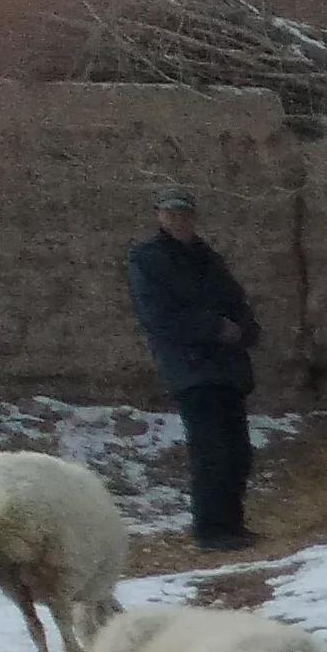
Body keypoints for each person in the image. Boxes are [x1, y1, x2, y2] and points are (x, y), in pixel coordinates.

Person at [128, 188, 258, 552]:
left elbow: (237, 303)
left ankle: (232, 525)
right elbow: (159, 317)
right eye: (171, 214)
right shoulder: (148, 259)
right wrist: (215, 328)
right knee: (210, 450)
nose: (178, 220)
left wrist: (245, 330)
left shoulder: (208, 258)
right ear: (159, 216)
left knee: (237, 450)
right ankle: (211, 531)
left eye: (184, 214)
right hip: (190, 368)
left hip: (227, 368)